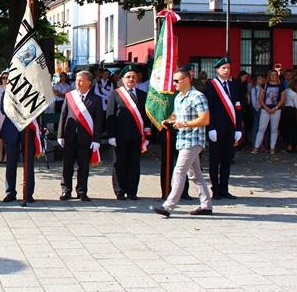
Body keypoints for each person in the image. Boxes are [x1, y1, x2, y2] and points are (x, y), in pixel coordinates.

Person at [152, 67, 213, 217]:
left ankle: (168, 206)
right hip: (183, 140)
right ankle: (206, 206)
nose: (174, 83)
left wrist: (184, 123)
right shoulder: (179, 97)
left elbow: (205, 119)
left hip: (193, 140)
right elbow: (176, 115)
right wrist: (169, 120)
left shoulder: (198, 96)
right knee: (196, 174)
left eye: (176, 81)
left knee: (179, 171)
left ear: (186, 80)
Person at [106, 65, 150, 200]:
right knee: (119, 164)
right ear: (123, 79)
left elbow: (146, 116)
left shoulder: (142, 95)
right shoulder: (115, 94)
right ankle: (119, 191)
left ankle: (132, 191)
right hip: (119, 136)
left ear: (137, 79)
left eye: (133, 77)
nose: (131, 79)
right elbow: (110, 115)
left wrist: (147, 133)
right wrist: (111, 135)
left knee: (134, 164)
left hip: (136, 136)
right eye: (128, 77)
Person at [57, 70, 101, 201]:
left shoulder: (96, 99)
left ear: (89, 82)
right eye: (76, 80)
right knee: (67, 166)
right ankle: (66, 190)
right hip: (69, 137)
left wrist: (96, 140)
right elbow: (63, 116)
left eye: (81, 80)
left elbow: (98, 121)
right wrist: (60, 135)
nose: (77, 82)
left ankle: (82, 191)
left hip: (85, 138)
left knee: (83, 166)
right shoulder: (70, 96)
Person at [203, 57, 243, 200]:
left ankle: (224, 189)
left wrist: (238, 128)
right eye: (223, 68)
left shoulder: (234, 85)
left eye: (228, 68)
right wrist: (210, 127)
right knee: (214, 161)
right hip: (216, 129)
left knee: (227, 160)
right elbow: (208, 108)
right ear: (217, 70)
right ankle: (215, 189)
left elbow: (238, 108)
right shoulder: (210, 85)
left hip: (230, 129)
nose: (226, 71)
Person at [253, 69, 285, 154]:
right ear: (269, 76)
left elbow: (282, 100)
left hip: (276, 110)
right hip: (265, 109)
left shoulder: (281, 86)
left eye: (275, 75)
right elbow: (260, 98)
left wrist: (276, 107)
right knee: (261, 128)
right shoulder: (265, 85)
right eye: (272, 75)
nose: (273, 76)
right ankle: (256, 147)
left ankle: (272, 148)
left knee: (274, 129)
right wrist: (266, 108)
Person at [281, 80, 297, 152]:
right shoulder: (294, 94)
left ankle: (288, 145)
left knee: (288, 128)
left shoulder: (285, 91)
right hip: (292, 111)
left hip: (285, 111)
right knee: (295, 129)